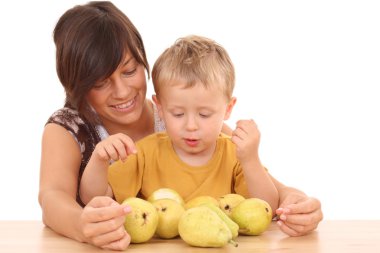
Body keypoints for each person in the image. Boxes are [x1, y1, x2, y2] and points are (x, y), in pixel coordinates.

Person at [38, 1, 322, 251]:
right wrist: (82, 226)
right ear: (76, 84)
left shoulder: (183, 115)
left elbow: (255, 177)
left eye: (130, 70)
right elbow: (52, 198)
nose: (123, 91)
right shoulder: (68, 128)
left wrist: (294, 202)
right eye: (100, 83)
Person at [80, 35, 280, 216]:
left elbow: (267, 207)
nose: (191, 125)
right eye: (177, 114)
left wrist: (251, 159)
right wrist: (99, 158)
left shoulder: (235, 156)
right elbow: (94, 198)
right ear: (159, 107)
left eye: (204, 114)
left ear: (228, 108)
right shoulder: (144, 154)